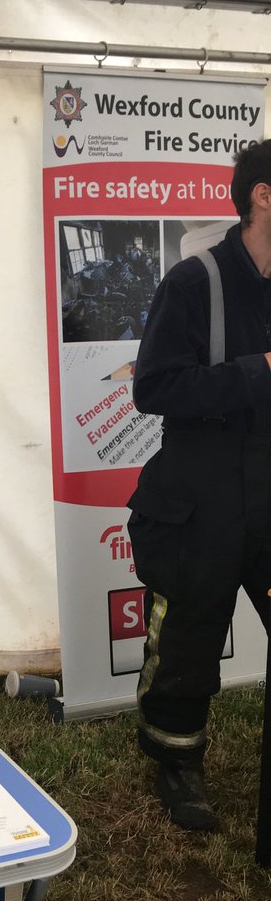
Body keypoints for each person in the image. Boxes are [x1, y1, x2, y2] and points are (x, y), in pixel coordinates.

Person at [127, 138, 271, 831]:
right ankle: (176, 760)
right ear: (262, 197)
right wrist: (258, 371)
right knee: (187, 640)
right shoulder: (193, 283)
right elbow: (152, 388)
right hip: (198, 503)